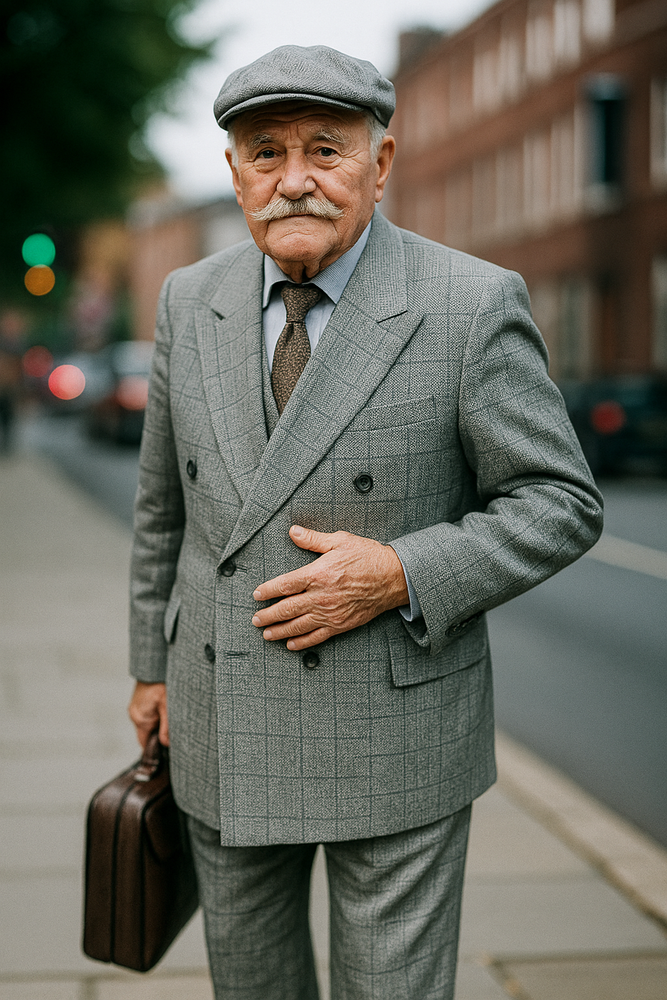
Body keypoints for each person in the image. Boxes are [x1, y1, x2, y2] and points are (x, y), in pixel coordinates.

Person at [128, 45, 603, 1000]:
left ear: (379, 165)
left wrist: (401, 571)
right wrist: (148, 667)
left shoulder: (467, 303)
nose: (293, 181)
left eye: (325, 151)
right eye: (265, 153)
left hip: (395, 726)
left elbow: (560, 502)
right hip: (219, 717)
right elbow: (161, 510)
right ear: (233, 172)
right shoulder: (189, 299)